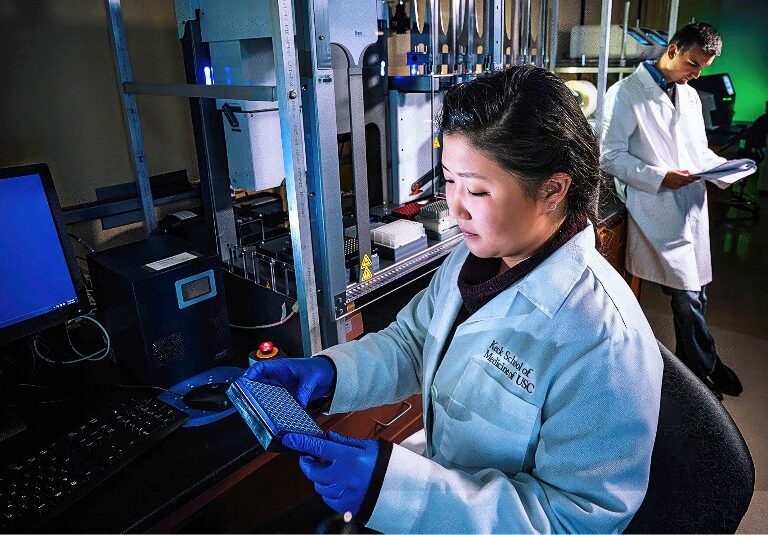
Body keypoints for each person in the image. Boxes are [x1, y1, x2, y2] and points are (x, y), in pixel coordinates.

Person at [247, 66, 663, 533]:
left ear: (552, 190)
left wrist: (398, 492)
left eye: (478, 189)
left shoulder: (604, 342)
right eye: (449, 181)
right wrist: (330, 372)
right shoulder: (474, 257)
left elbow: (573, 522)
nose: (456, 207)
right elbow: (412, 343)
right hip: (443, 477)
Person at [601, 22, 743, 400]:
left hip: (690, 204)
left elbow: (696, 150)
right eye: (693, 63)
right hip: (657, 206)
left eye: (702, 68)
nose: (696, 74)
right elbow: (609, 156)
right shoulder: (626, 93)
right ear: (673, 48)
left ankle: (693, 364)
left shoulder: (690, 95)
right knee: (687, 294)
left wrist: (724, 169)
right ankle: (704, 367)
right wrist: (661, 176)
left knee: (696, 291)